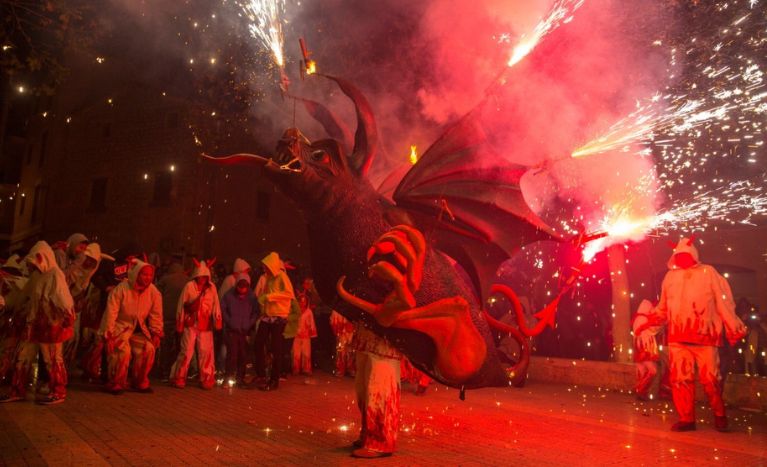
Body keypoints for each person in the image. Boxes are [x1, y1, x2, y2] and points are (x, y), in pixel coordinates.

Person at [646, 237, 747, 432]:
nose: (681, 258)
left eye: (685, 255)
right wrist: (650, 324)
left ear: (693, 255)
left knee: (711, 380)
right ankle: (687, 419)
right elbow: (663, 307)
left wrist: (734, 327)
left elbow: (722, 301)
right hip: (677, 338)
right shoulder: (670, 277)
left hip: (705, 338)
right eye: (678, 255)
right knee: (680, 380)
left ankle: (719, 414)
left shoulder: (708, 273)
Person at [0, 241, 75, 404]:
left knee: (52, 360)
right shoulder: (37, 275)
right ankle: (17, 389)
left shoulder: (55, 275)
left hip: (51, 326)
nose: (32, 266)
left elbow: (64, 300)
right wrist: (14, 307)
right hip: (33, 325)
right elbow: (24, 296)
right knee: (22, 356)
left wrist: (68, 317)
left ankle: (58, 390)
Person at [100, 259, 163, 394]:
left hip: (138, 328)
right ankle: (115, 382)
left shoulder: (153, 292)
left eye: (150, 275)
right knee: (123, 351)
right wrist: (108, 334)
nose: (148, 278)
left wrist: (156, 332)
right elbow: (111, 313)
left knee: (149, 348)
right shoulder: (121, 289)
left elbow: (156, 314)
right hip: (119, 327)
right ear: (136, 274)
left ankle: (140, 381)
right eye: (144, 274)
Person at [170, 258, 221, 389]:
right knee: (186, 351)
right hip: (190, 323)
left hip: (205, 325)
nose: (202, 279)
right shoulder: (189, 286)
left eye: (205, 276)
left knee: (206, 352)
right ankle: (179, 376)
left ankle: (207, 377)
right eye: (200, 276)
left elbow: (216, 305)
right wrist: (180, 322)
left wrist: (217, 320)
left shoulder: (212, 288)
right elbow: (181, 304)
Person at [254, 252, 294, 391]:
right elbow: (266, 295)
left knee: (276, 349)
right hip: (267, 315)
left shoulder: (282, 277)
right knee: (258, 342)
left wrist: (269, 297)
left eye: (266, 266)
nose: (264, 269)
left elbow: (289, 294)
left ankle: (274, 379)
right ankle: (261, 374)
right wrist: (263, 304)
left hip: (279, 317)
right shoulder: (269, 278)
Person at [221, 273, 258, 385]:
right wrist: (230, 321)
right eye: (240, 290)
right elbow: (223, 309)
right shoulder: (228, 295)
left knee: (243, 355)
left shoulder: (252, 296)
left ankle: (240, 378)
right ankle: (228, 376)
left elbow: (256, 312)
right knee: (232, 355)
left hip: (244, 330)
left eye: (244, 291)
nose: (242, 294)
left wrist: (249, 323)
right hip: (232, 330)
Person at [632, 299, 671, 401]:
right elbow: (653, 329)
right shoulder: (643, 319)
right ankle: (639, 390)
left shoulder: (638, 319)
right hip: (645, 349)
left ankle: (641, 393)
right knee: (652, 371)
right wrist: (664, 321)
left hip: (640, 350)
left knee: (643, 371)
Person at [156, 257, 188, 379]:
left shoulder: (165, 279)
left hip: (167, 317)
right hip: (181, 319)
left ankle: (164, 370)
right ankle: (178, 371)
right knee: (181, 346)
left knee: (166, 345)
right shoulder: (187, 280)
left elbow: (157, 295)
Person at [292, 293, 317, 375]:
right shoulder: (295, 311)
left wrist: (311, 332)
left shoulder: (309, 312)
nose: (302, 303)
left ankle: (306, 369)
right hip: (296, 335)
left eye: (304, 301)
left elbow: (312, 323)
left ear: (307, 302)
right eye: (301, 301)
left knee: (306, 352)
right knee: (296, 352)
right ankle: (296, 369)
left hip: (306, 335)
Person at [330, 309, 355, 377]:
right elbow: (332, 321)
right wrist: (338, 331)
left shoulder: (351, 308)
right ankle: (340, 369)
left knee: (351, 351)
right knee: (341, 351)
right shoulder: (336, 310)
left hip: (351, 333)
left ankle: (350, 369)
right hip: (341, 334)